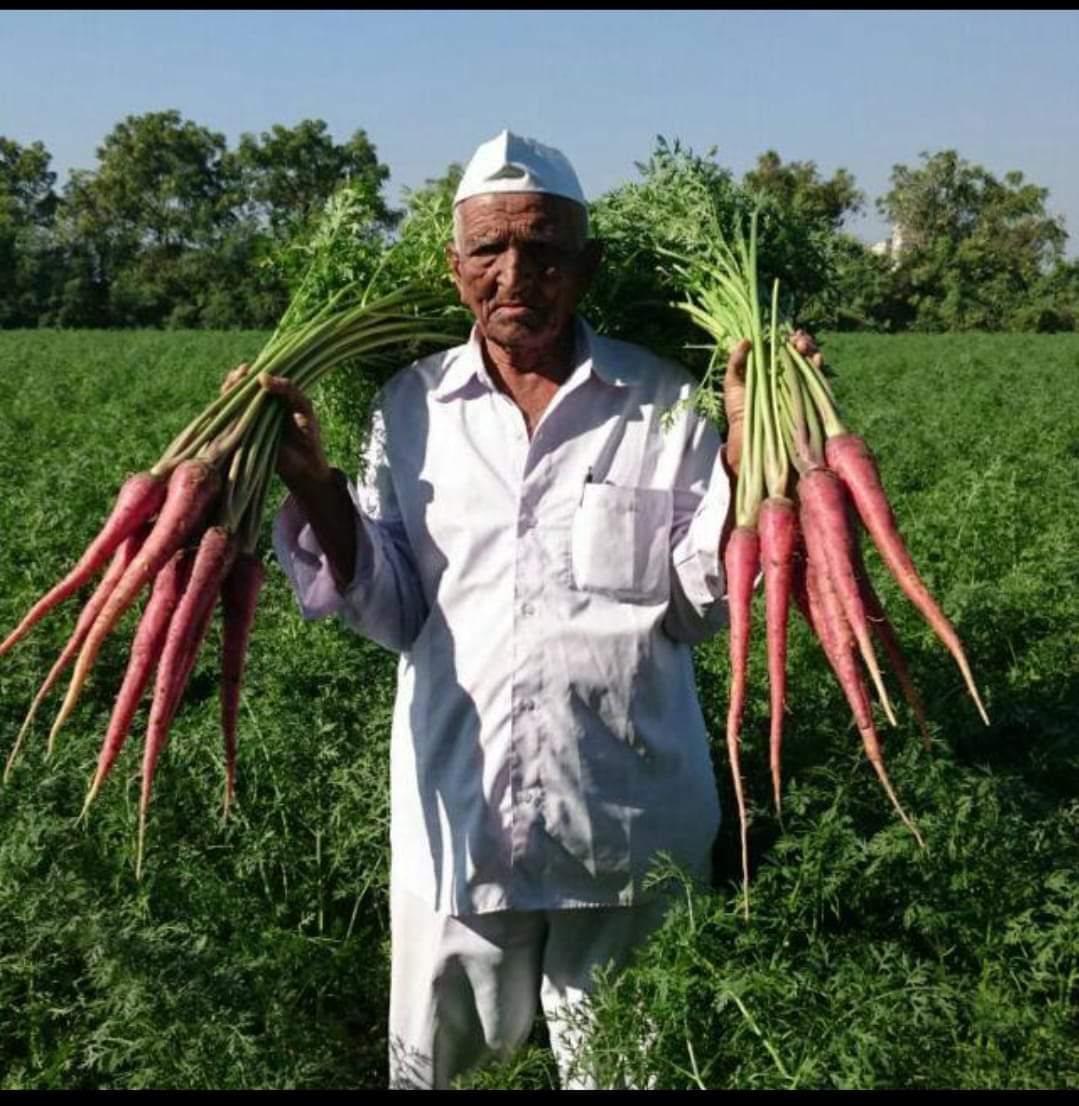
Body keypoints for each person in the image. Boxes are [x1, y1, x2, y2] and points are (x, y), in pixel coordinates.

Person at [258, 130, 757, 1089]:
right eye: (488, 249)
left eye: (543, 248)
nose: (514, 272)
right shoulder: (409, 407)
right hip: (461, 819)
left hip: (629, 821)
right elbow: (393, 607)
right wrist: (318, 488)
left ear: (589, 264)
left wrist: (746, 458)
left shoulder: (666, 402)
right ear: (455, 269)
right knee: (440, 1073)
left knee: (632, 1075)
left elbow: (702, 604)